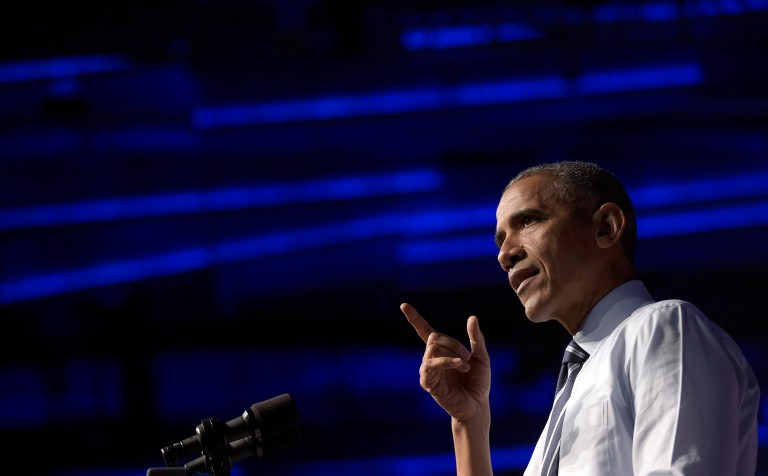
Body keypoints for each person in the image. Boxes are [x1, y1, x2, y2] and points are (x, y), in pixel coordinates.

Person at [400, 161, 760, 476]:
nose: (505, 255)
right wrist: (470, 423)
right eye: (499, 241)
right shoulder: (571, 394)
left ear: (605, 227)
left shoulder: (663, 328)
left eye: (528, 220)